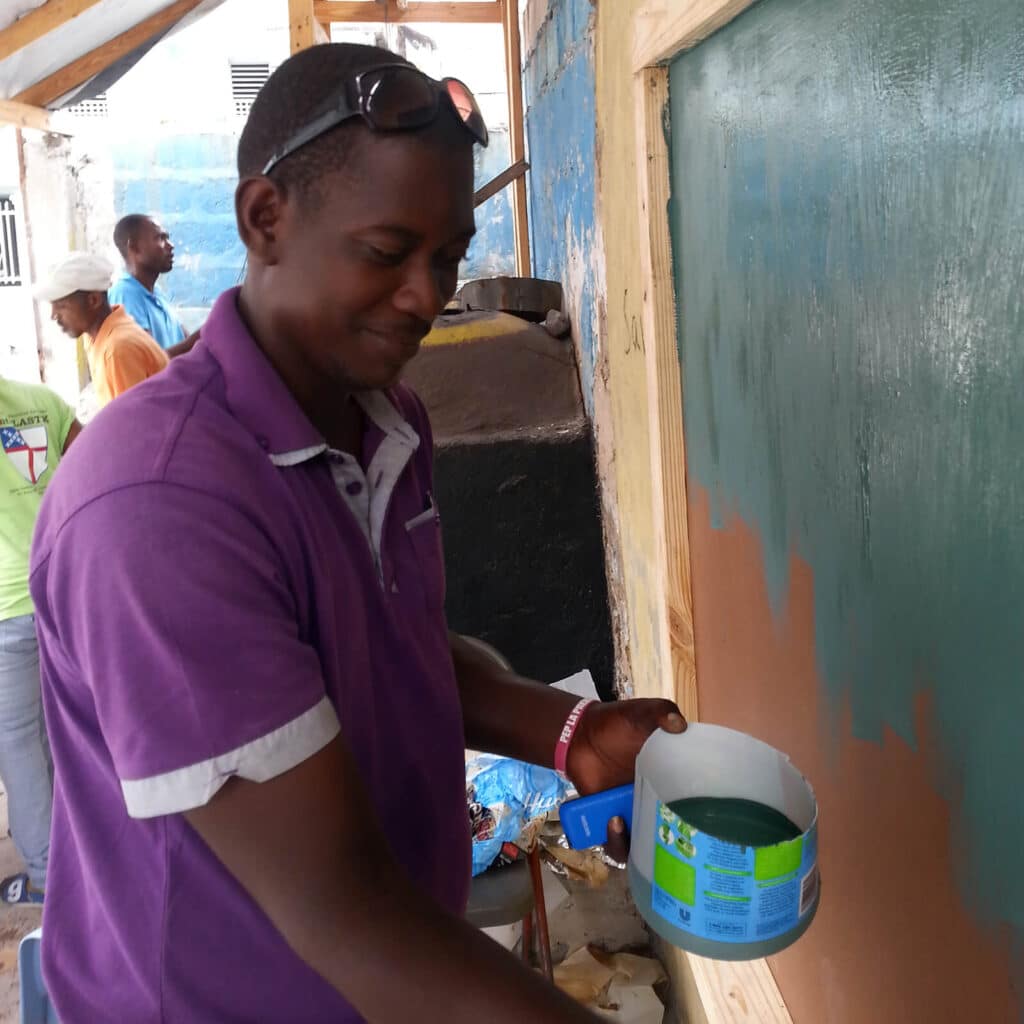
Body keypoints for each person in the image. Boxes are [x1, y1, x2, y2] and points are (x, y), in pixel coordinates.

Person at [29, 43, 685, 1022]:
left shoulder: (382, 417)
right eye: (387, 253)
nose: (427, 295)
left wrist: (567, 728)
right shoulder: (156, 508)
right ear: (264, 219)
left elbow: (399, 648)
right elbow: (343, 912)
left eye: (449, 257)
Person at [0, 375, 80, 906]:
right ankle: (82, 852)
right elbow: (95, 462)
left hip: (6, 605)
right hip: (60, 588)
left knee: (19, 740)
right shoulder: (42, 402)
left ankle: (48, 877)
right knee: (65, 730)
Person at [35, 252, 169, 409]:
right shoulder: (97, 336)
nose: (53, 315)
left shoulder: (118, 348)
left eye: (61, 306)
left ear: (94, 300)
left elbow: (134, 426)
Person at [109, 214, 187, 350]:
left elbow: (189, 344)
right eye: (160, 238)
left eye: (167, 238)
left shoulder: (157, 294)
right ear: (133, 246)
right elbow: (148, 363)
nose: (170, 245)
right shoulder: (125, 295)